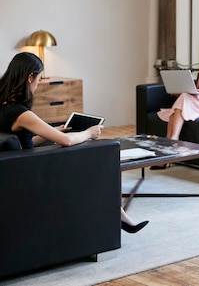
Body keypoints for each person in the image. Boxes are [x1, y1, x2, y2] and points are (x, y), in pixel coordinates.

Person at [0, 52, 148, 234]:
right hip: (32, 172)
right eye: (38, 78)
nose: (38, 84)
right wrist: (89, 132)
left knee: (89, 166)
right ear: (30, 77)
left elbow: (23, 143)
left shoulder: (4, 106)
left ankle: (121, 216)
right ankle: (120, 217)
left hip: (16, 167)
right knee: (94, 166)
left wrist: (52, 133)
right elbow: (68, 141)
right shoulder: (21, 113)